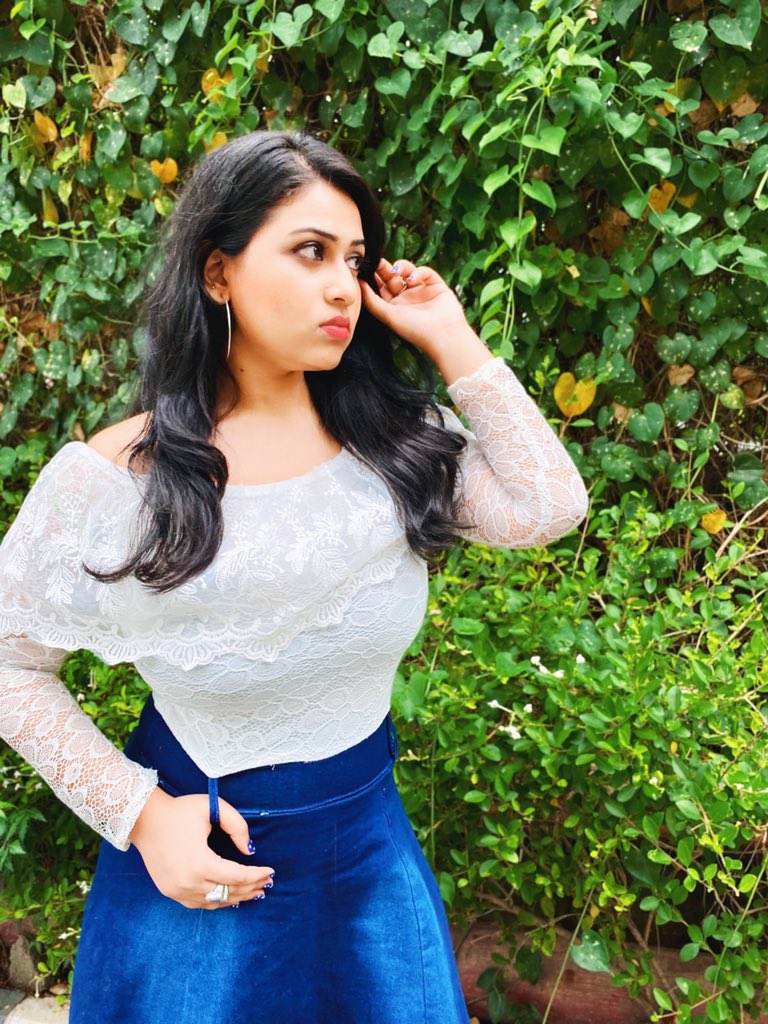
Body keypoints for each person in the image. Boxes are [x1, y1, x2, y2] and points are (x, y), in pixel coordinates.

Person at [0, 130, 589, 1023]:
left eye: (354, 259)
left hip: (371, 868)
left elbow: (549, 506)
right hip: (205, 875)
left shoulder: (392, 448)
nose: (342, 285)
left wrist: (451, 336)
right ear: (218, 272)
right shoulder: (116, 482)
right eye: (310, 251)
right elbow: (9, 663)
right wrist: (140, 816)